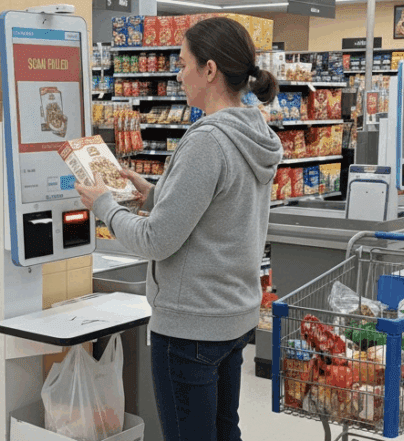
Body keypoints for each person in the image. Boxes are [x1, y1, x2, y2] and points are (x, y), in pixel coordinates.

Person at [76, 17, 283, 441]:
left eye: (184, 62)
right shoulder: (253, 129)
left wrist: (103, 206)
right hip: (232, 313)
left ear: (209, 70)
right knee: (225, 431)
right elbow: (221, 211)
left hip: (191, 327)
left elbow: (157, 241)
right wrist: (152, 193)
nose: (177, 73)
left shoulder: (206, 140)